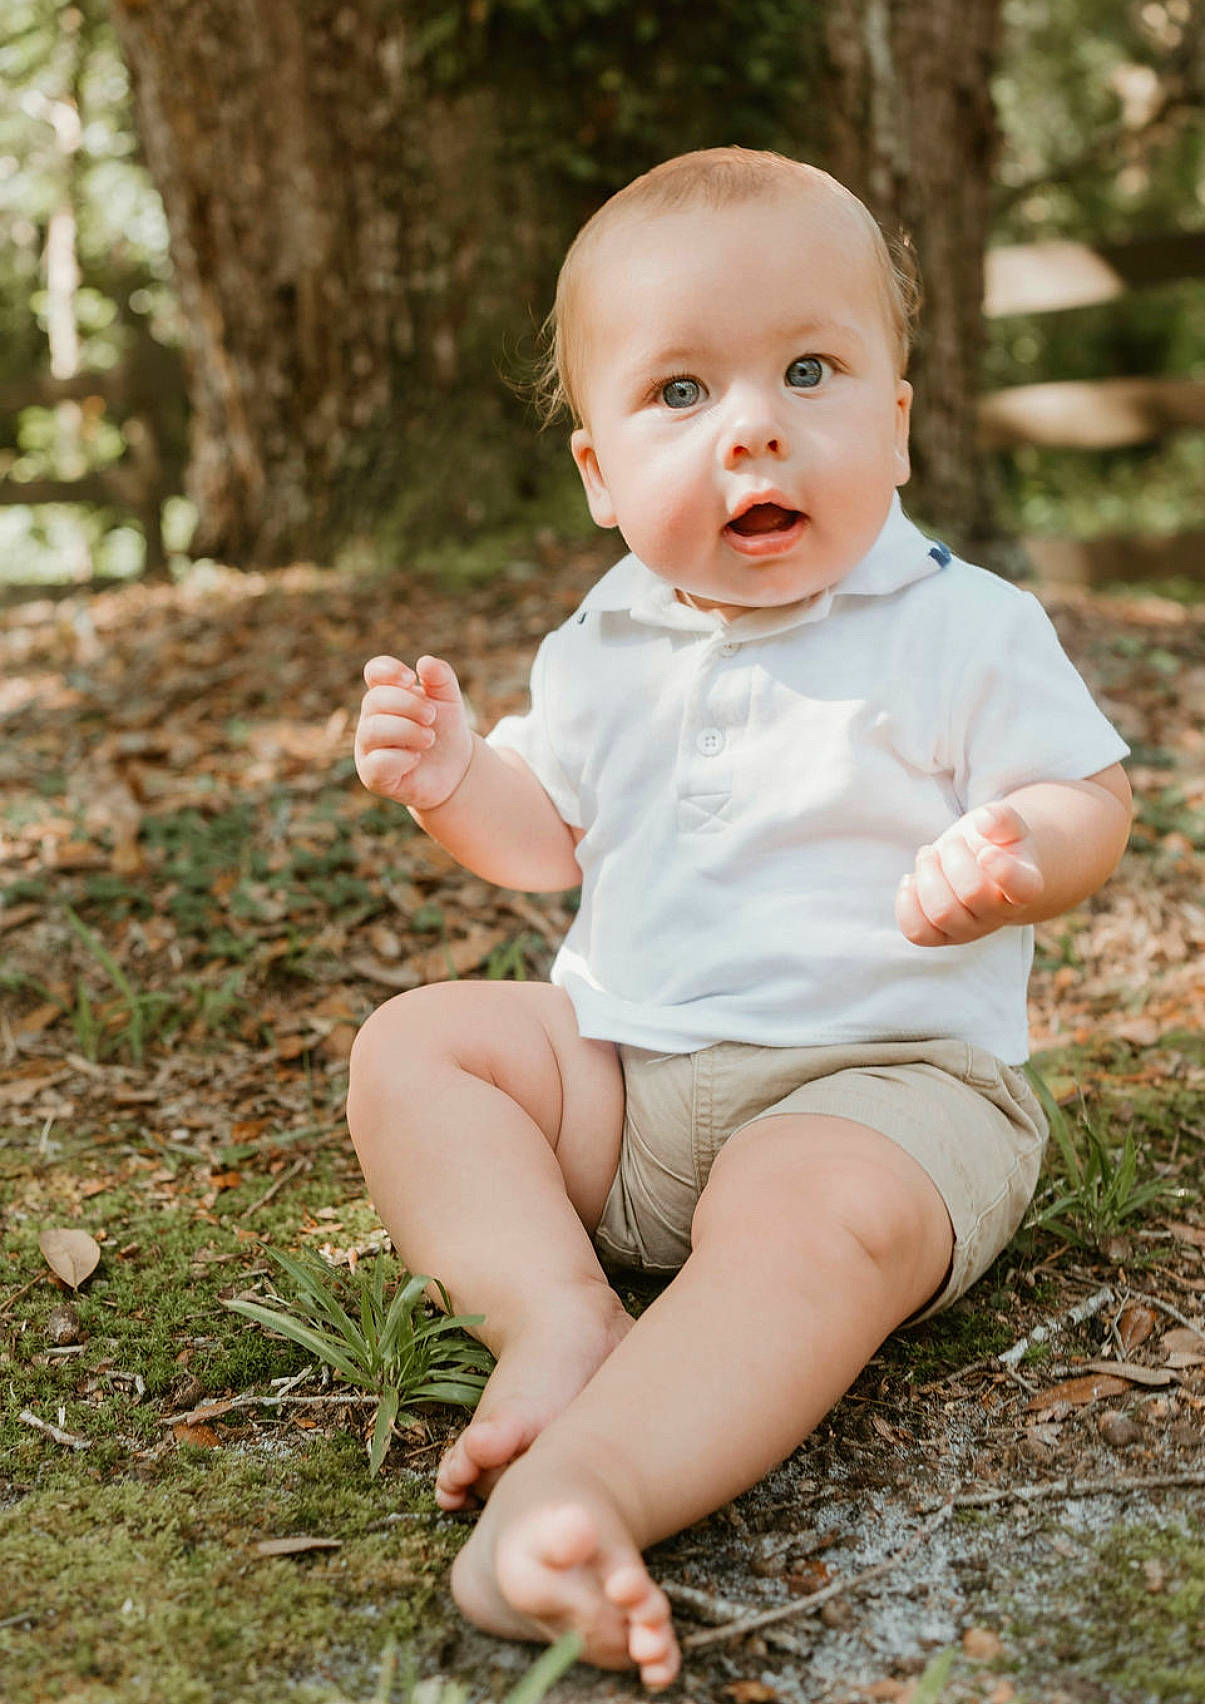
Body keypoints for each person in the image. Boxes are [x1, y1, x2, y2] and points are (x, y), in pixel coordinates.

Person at [347, 147, 1131, 1688]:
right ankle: (557, 1316)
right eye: (681, 392)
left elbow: (1087, 798)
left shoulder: (964, 625)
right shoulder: (607, 639)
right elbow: (547, 839)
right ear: (599, 475)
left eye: (810, 372)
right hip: (636, 1081)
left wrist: (1017, 850)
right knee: (419, 1048)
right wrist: (454, 779)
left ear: (897, 422)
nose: (755, 425)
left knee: (810, 1217)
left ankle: (581, 1496)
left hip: (886, 1087)